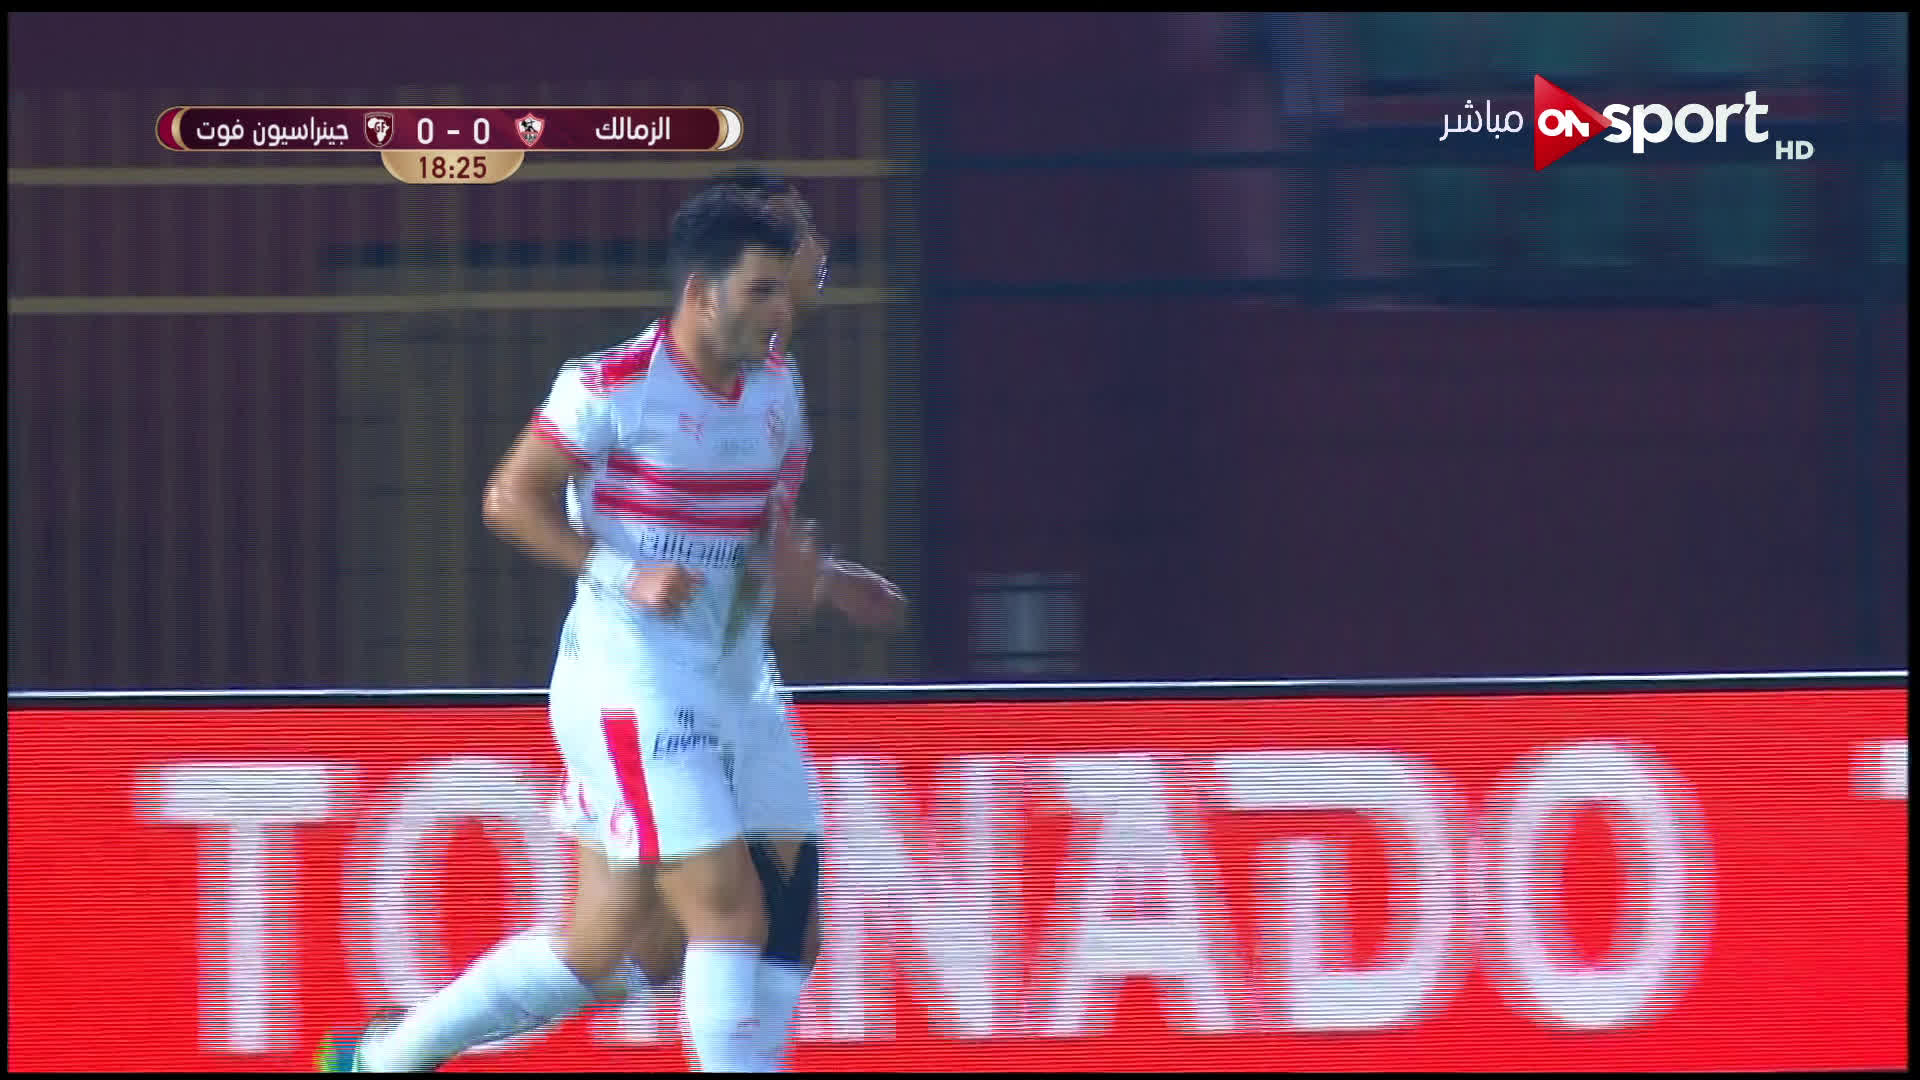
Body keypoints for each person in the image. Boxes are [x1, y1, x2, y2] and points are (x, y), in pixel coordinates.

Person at [318, 178, 904, 1073]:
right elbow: (508, 498)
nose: (783, 305)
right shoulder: (611, 387)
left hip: (737, 684)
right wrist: (622, 572)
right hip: (636, 687)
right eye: (762, 288)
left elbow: (760, 553)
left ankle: (387, 1058)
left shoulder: (779, 392)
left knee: (657, 939)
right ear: (702, 293)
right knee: (731, 910)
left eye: (784, 285)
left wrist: (817, 581)